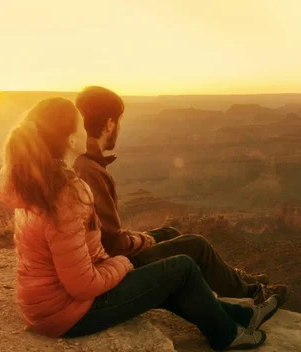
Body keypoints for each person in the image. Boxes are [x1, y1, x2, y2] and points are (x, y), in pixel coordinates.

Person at [0, 97, 282, 350]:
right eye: (81, 128)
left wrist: (119, 262)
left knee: (167, 275)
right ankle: (227, 335)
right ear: (71, 139)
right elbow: (82, 286)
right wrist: (123, 264)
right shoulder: (67, 193)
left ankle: (240, 317)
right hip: (69, 314)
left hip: (47, 307)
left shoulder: (33, 185)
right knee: (180, 267)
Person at [73, 86, 288, 304]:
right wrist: (143, 239)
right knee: (196, 244)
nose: (119, 128)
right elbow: (112, 242)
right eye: (118, 122)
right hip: (115, 265)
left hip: (107, 256)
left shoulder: (88, 163)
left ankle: (234, 278)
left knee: (170, 232)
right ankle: (252, 293)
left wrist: (141, 237)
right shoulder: (90, 171)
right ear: (110, 124)